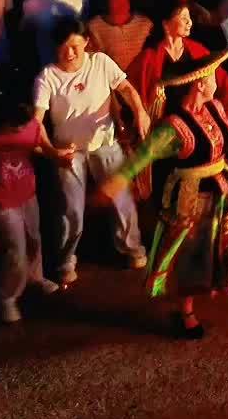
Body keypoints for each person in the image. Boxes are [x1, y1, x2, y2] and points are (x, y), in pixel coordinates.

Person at [102, 52, 228, 340]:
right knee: (191, 255)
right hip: (191, 198)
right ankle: (186, 313)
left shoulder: (215, 108)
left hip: (224, 187)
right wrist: (116, 183)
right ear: (199, 85)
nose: (215, 81)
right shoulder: (173, 127)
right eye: (211, 77)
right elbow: (144, 155)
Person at [33, 21, 152, 281]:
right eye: (64, 48)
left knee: (122, 199)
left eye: (75, 46)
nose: (70, 53)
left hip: (105, 142)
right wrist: (53, 151)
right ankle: (66, 261)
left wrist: (140, 112)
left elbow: (126, 89)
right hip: (68, 151)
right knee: (71, 209)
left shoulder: (100, 62)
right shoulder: (48, 76)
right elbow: (36, 121)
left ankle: (132, 248)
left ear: (86, 41)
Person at [0, 98, 64, 321]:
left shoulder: (32, 125)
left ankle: (35, 278)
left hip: (27, 194)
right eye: (15, 126)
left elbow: (43, 146)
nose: (20, 129)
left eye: (23, 124)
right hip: (1, 200)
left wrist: (59, 154)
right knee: (16, 250)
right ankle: (6, 298)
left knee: (34, 239)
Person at [20, 0, 90, 69]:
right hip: (49, 68)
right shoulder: (33, 2)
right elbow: (26, 34)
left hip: (78, 68)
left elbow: (86, 28)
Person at [85, 0, 153, 72]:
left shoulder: (145, 23)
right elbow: (92, 63)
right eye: (117, 0)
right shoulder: (94, 27)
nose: (122, 3)